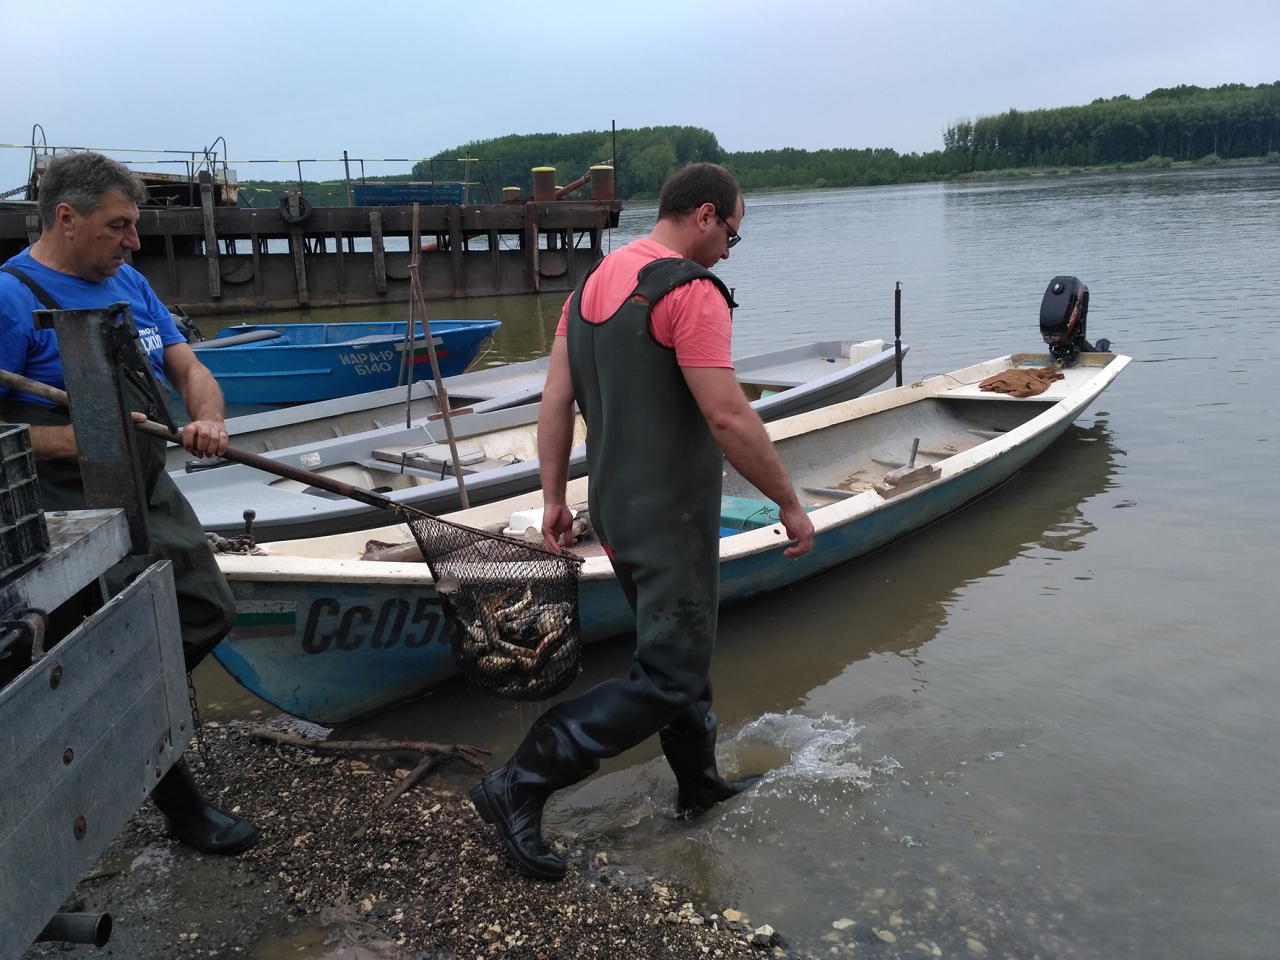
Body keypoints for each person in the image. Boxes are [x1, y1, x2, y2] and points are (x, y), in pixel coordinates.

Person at [470, 163, 815, 879]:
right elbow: (728, 416)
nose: (727, 253)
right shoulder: (691, 292)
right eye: (732, 236)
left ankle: (699, 786)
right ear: (706, 215)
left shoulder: (591, 285)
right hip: (670, 520)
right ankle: (521, 781)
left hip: (615, 513)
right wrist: (788, 501)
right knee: (667, 674)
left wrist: (553, 496)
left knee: (677, 653)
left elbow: (555, 400)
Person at [0, 151, 259, 855]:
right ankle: (181, 809)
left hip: (145, 481)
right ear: (66, 218)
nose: (133, 240)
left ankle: (104, 719)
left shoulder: (130, 283)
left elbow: (188, 366)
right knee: (116, 643)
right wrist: (81, 438)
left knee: (207, 609)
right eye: (118, 226)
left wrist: (209, 417)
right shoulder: (12, 298)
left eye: (133, 225)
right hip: (68, 502)